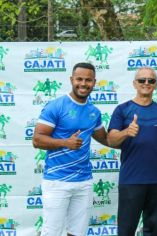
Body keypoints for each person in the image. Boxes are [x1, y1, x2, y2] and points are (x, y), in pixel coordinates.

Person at [32, 62, 108, 236]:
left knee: (78, 232)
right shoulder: (56, 106)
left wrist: (128, 134)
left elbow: (105, 138)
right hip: (57, 181)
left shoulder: (94, 112)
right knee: (52, 232)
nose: (83, 83)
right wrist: (65, 143)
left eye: (88, 80)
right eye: (79, 79)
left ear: (94, 82)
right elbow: (37, 139)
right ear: (71, 80)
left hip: (84, 181)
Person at [107, 66, 157, 236]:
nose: (146, 83)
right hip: (131, 180)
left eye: (150, 80)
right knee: (126, 230)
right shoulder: (122, 110)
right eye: (142, 80)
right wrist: (126, 132)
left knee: (153, 231)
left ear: (156, 84)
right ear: (134, 84)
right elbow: (111, 139)